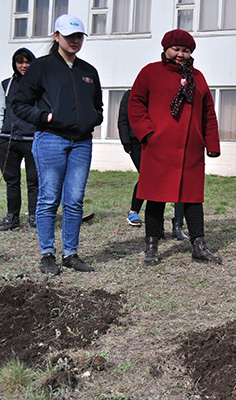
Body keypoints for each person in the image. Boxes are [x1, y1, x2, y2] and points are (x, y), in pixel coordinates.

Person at [12, 14, 102, 275]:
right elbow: (19, 104)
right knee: (49, 198)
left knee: (74, 200)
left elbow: (99, 107)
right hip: (50, 139)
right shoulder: (41, 67)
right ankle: (47, 254)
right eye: (68, 36)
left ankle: (70, 254)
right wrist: (44, 117)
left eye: (78, 37)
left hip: (82, 143)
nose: (74, 41)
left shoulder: (89, 71)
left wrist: (93, 119)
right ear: (56, 37)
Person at [128, 29, 221, 266]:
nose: (181, 54)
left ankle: (199, 247)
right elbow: (136, 103)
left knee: (192, 199)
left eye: (186, 50)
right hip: (159, 147)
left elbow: (208, 111)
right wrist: (149, 133)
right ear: (166, 49)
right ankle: (151, 247)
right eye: (176, 49)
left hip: (190, 149)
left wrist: (210, 142)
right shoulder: (150, 72)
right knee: (155, 198)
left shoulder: (197, 77)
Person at [118, 89, 188, 240]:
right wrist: (126, 142)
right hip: (135, 143)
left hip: (156, 142)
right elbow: (122, 120)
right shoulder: (130, 95)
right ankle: (134, 212)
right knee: (147, 176)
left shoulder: (158, 95)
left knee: (160, 179)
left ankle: (165, 226)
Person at [0, 48, 38, 231]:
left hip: (32, 139)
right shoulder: (5, 85)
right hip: (8, 140)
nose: (24, 65)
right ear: (14, 64)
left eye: (27, 61)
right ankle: (12, 218)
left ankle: (34, 217)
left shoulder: (40, 85)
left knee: (34, 180)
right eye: (19, 61)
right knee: (11, 180)